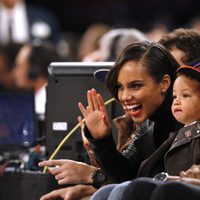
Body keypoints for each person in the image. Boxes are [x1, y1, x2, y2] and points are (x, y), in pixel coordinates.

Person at [91, 62, 200, 200]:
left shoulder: (182, 126)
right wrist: (100, 140)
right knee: (105, 193)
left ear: (164, 83)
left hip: (178, 188)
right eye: (175, 96)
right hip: (173, 185)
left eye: (135, 86)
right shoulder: (150, 127)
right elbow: (126, 173)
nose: (125, 96)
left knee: (143, 189)